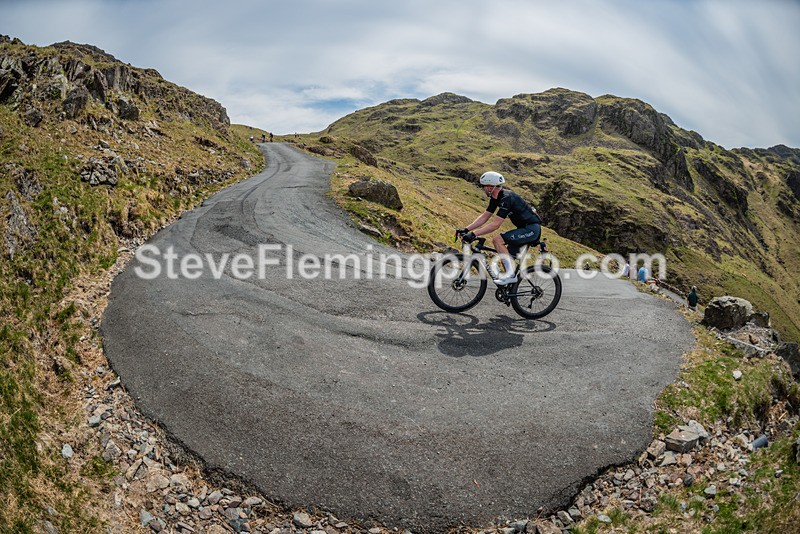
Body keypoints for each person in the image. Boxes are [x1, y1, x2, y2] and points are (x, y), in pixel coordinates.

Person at [456, 171, 542, 285]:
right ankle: (510, 290)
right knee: (504, 256)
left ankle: (510, 276)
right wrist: (466, 229)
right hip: (523, 229)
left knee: (497, 239)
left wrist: (474, 234)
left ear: (491, 187)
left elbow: (495, 225)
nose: (484, 189)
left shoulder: (507, 198)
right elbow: (484, 217)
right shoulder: (495, 199)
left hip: (531, 229)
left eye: (484, 186)